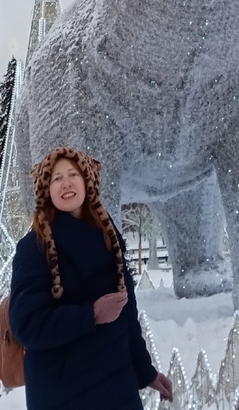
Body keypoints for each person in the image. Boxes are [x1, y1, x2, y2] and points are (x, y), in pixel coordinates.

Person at [9, 145, 173, 409]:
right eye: (56, 178)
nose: (66, 183)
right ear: (47, 191)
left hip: (117, 387)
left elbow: (127, 317)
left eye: (73, 174)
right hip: (62, 394)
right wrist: (91, 314)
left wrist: (146, 372)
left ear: (88, 182)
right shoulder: (35, 247)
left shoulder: (110, 240)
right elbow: (27, 325)